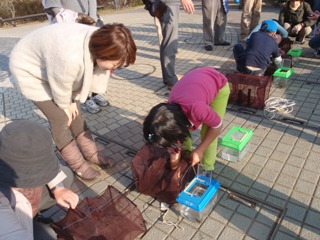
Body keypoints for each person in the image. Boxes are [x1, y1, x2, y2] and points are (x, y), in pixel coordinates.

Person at [9, 23, 137, 180]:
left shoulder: (100, 43)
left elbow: (77, 83)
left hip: (54, 68)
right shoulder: (70, 57)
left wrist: (72, 102)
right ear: (103, 53)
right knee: (60, 119)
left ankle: (92, 155)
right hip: (29, 70)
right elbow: (61, 81)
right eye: (115, 64)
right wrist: (65, 104)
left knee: (76, 114)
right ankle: (78, 165)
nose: (115, 69)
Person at [0, 120, 79, 240]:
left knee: (66, 175)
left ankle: (35, 217)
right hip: (12, 215)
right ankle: (33, 223)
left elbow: (46, 163)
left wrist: (58, 188)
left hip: (24, 204)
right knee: (46, 235)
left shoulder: (9, 151)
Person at [143, 67, 230, 173]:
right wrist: (174, 170)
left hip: (217, 84)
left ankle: (206, 169)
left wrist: (199, 150)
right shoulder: (169, 112)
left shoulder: (197, 109)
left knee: (208, 134)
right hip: (196, 84)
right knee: (184, 137)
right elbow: (175, 145)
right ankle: (187, 158)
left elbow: (217, 126)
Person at [42, 0, 108, 114]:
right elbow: (54, 7)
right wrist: (74, 20)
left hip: (90, 23)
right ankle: (84, 98)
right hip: (68, 27)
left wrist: (92, 20)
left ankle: (95, 92)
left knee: (93, 62)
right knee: (79, 65)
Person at [155, 0, 195, 90]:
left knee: (167, 41)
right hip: (168, 3)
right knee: (170, 43)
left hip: (167, 4)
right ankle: (171, 81)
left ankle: (168, 77)